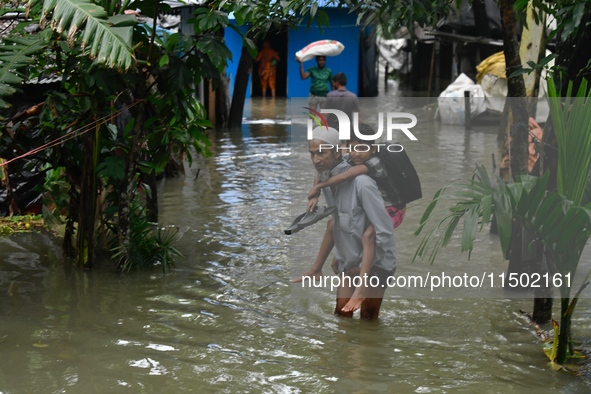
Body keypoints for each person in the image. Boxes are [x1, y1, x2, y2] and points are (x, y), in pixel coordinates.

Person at [302, 124, 405, 313]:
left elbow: (383, 232)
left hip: (376, 265)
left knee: (368, 320)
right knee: (341, 315)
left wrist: (367, 270)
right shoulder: (326, 180)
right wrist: (338, 256)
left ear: (337, 153)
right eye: (312, 154)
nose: (315, 160)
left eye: (321, 153)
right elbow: (338, 224)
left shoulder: (363, 183)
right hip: (348, 261)